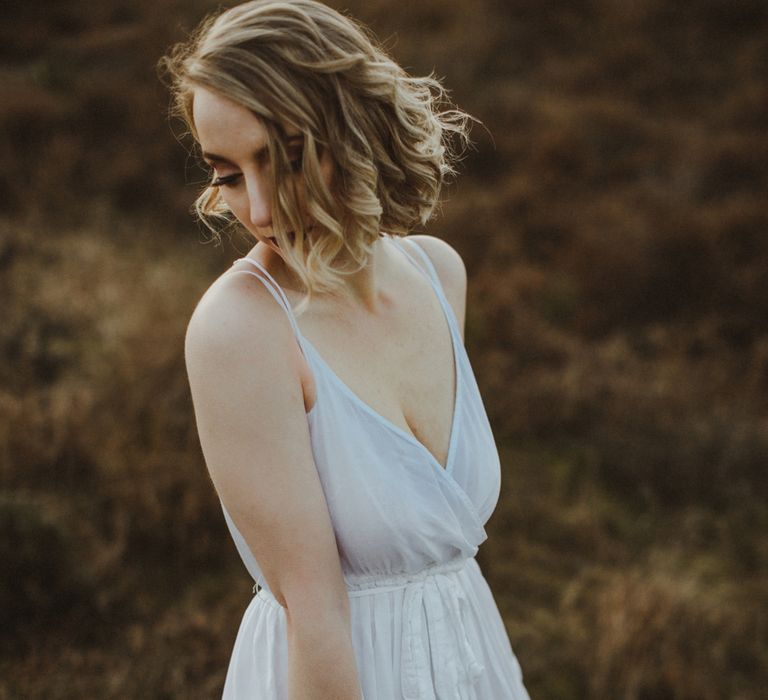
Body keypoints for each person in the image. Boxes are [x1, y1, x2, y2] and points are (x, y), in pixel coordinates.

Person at [160, 1, 531, 697]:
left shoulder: (438, 274)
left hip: (474, 661)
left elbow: (447, 570)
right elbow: (316, 613)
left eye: (287, 159)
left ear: (356, 131)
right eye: (229, 175)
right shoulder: (241, 330)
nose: (261, 211)